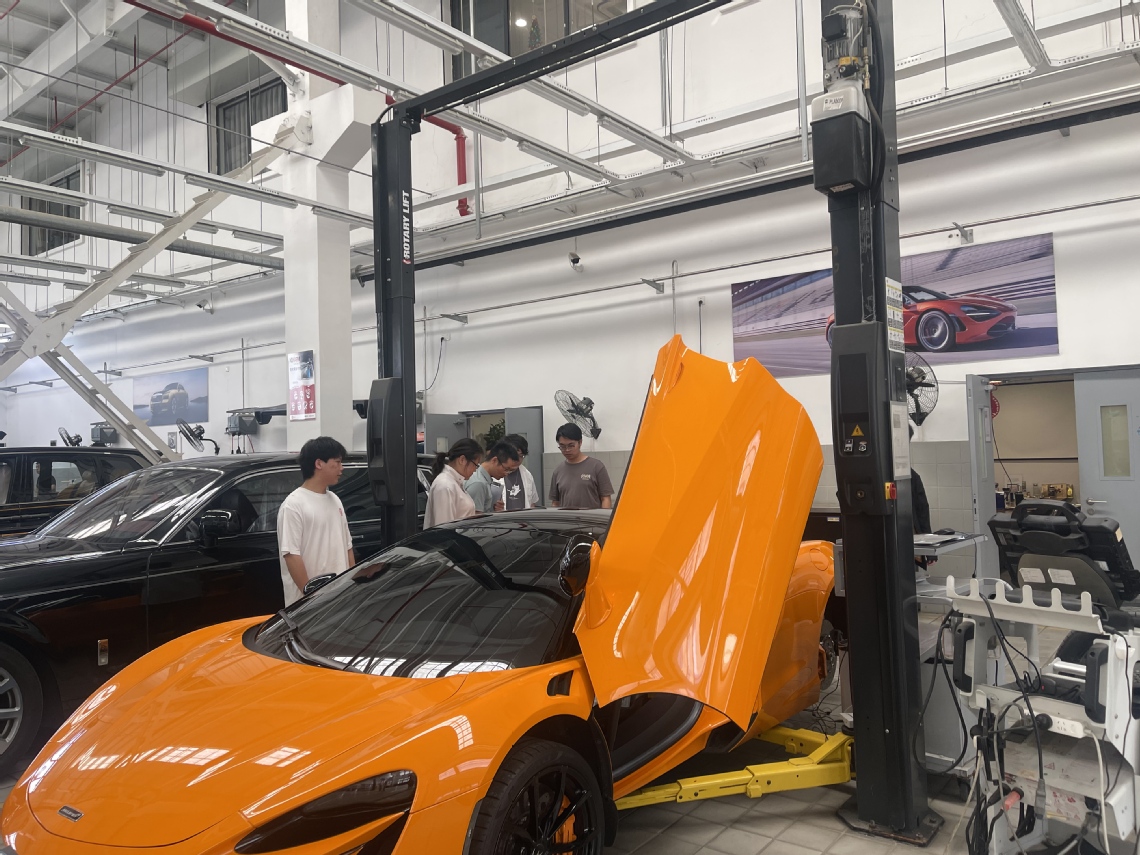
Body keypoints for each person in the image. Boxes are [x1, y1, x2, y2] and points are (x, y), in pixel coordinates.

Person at [277, 436, 354, 607]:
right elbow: (291, 555)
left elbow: (347, 547)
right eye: (337, 462)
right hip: (310, 605)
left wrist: (351, 586)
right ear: (319, 463)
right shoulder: (293, 505)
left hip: (340, 597)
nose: (342, 468)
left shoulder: (335, 499)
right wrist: (310, 597)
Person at [549, 423, 614, 510]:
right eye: (562, 446)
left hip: (590, 518)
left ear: (580, 442)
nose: (567, 450)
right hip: (567, 518)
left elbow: (605, 499)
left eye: (571, 446)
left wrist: (604, 517)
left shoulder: (596, 466)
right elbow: (555, 503)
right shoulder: (558, 471)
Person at [424, 438, 483, 527]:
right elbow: (444, 527)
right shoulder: (445, 485)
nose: (475, 470)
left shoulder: (455, 482)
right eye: (475, 465)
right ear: (462, 460)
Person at [465, 441, 521, 514]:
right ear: (494, 460)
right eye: (506, 469)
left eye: (510, 471)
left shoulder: (481, 478)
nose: (506, 474)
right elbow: (474, 518)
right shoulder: (479, 484)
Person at [501, 433, 539, 510]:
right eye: (514, 455)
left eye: (521, 456)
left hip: (523, 517)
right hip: (502, 517)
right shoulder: (495, 475)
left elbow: (532, 503)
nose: (517, 460)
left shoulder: (527, 475)